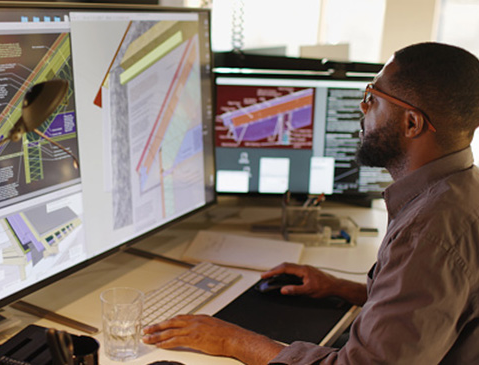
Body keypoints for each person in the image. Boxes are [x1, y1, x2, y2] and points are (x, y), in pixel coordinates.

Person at [142, 42, 479, 364]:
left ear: (411, 123)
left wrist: (231, 340)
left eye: (372, 98)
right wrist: (340, 288)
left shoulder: (431, 232)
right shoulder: (459, 192)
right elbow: (429, 307)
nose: (362, 107)